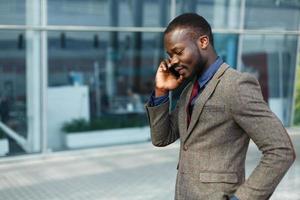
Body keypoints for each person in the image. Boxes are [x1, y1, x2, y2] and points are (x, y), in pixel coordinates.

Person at [145, 13, 295, 200]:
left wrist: (242, 198)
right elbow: (161, 138)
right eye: (170, 55)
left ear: (203, 42)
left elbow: (281, 150)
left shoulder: (236, 85)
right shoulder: (188, 91)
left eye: (179, 52)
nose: (173, 61)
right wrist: (161, 91)